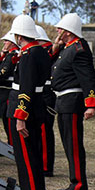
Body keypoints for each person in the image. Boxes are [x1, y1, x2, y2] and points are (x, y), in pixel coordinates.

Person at [50, 13, 95, 190]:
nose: (57, 31)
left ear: (68, 31)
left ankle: (78, 185)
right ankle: (74, 182)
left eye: (60, 29)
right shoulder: (67, 47)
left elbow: (88, 78)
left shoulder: (78, 49)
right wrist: (55, 47)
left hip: (72, 101)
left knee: (73, 145)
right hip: (63, 102)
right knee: (67, 144)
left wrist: (91, 104)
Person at [7, 14, 50, 190]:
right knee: (30, 155)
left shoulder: (29, 55)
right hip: (36, 107)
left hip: (26, 109)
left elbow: (26, 88)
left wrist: (20, 116)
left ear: (19, 36)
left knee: (27, 157)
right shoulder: (39, 52)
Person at [36, 25, 56, 177]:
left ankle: (45, 165)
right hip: (42, 93)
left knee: (44, 131)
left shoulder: (47, 51)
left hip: (46, 94)